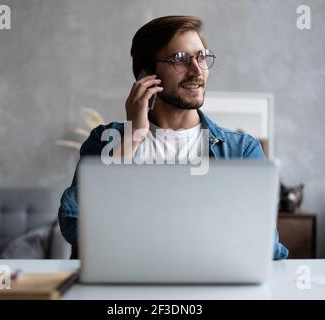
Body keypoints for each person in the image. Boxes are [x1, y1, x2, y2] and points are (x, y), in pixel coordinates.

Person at [58, 15, 288, 260]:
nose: (197, 71)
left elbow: (267, 246)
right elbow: (75, 223)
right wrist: (133, 137)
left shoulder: (240, 149)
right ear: (147, 75)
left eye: (201, 57)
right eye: (179, 59)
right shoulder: (106, 141)